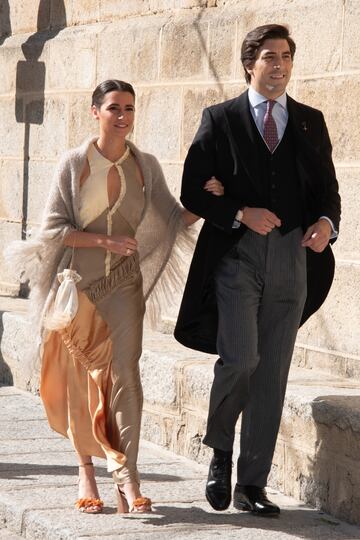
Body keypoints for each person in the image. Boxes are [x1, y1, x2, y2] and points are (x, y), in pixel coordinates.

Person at [7, 79, 223, 514]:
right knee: (80, 379)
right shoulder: (74, 164)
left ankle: (128, 476)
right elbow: (53, 230)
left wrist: (209, 199)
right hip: (77, 284)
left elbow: (171, 219)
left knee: (126, 375)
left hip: (125, 285)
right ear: (95, 112)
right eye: (113, 108)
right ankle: (86, 468)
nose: (122, 116)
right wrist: (102, 243)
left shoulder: (145, 165)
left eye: (128, 108)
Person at [174, 24, 341, 515]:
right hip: (237, 257)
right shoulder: (220, 119)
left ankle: (252, 484)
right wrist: (240, 212)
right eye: (269, 56)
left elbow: (329, 191)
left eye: (286, 56)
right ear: (250, 63)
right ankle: (221, 451)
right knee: (241, 358)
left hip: (293, 258)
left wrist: (327, 224)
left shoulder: (311, 122)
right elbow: (192, 190)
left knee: (272, 373)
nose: (279, 66)